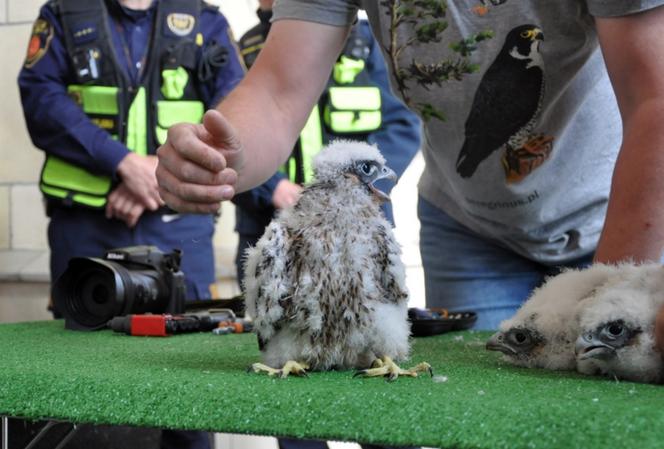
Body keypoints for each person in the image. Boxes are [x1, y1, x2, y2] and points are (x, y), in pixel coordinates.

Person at [155, 1, 664, 331]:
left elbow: (656, 105)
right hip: (471, 227)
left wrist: (605, 301)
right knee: (482, 417)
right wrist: (220, 156)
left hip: (626, 218)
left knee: (603, 408)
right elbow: (278, 91)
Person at [18, 0, 244, 448]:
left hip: (179, 228)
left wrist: (156, 181)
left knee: (188, 385)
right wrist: (119, 162)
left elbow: (234, 114)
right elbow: (41, 100)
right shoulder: (63, 14)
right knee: (77, 381)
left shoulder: (207, 22)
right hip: (86, 230)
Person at [232, 1, 421, 284]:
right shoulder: (243, 49)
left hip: (359, 224)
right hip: (270, 224)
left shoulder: (372, 44)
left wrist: (354, 189)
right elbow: (231, 143)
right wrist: (274, 188)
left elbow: (403, 125)